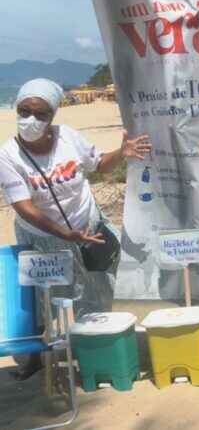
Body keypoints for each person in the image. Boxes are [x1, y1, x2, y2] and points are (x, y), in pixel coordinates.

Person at [0, 78, 151, 379]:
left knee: (99, 289)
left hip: (89, 229)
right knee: (46, 301)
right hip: (44, 239)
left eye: (40, 113)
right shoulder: (8, 155)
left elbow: (97, 164)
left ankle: (94, 348)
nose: (30, 119)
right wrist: (63, 233)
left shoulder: (68, 137)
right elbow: (24, 207)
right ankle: (33, 357)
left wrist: (121, 152)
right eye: (24, 110)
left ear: (53, 115)